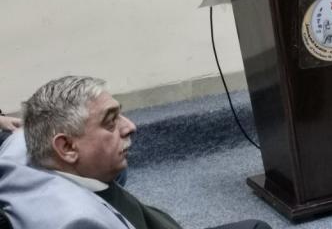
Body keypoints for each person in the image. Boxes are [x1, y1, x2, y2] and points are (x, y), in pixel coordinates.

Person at [0, 76, 269, 229]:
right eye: (110, 122)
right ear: (67, 147)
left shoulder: (23, 147)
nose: (130, 126)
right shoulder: (80, 221)